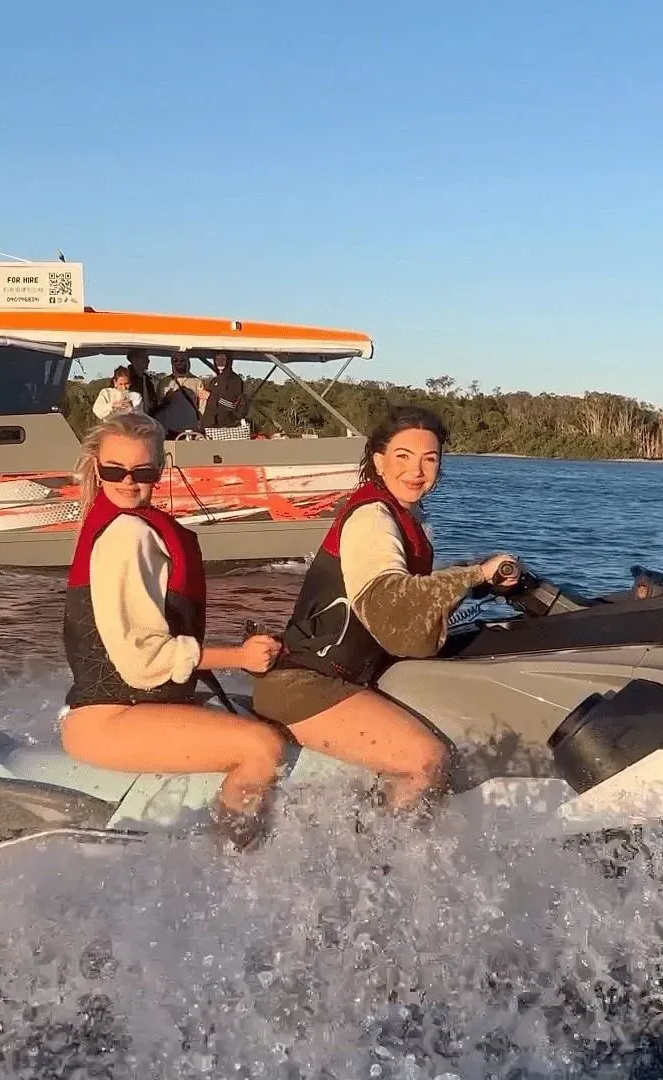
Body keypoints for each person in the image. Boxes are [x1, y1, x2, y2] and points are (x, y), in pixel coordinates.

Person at [252, 405, 520, 814]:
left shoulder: (397, 514)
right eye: (403, 457)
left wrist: (478, 585)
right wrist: (473, 575)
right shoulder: (372, 517)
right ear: (378, 461)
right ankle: (385, 871)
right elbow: (391, 604)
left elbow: (409, 609)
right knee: (425, 760)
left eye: (429, 459)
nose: (416, 470)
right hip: (308, 685)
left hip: (341, 681)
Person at [61, 410, 287, 848]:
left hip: (128, 706)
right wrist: (239, 657)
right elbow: (144, 657)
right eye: (114, 470)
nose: (128, 481)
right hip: (111, 718)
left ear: (159, 470)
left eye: (142, 471)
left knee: (258, 711)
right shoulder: (128, 534)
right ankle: (237, 870)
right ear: (96, 468)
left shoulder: (124, 524)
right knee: (260, 746)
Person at [201, 352, 247, 429]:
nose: (220, 362)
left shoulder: (235, 380)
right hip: (210, 427)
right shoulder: (214, 381)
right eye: (217, 359)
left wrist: (210, 396)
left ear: (228, 361)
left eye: (223, 359)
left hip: (227, 427)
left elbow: (231, 405)